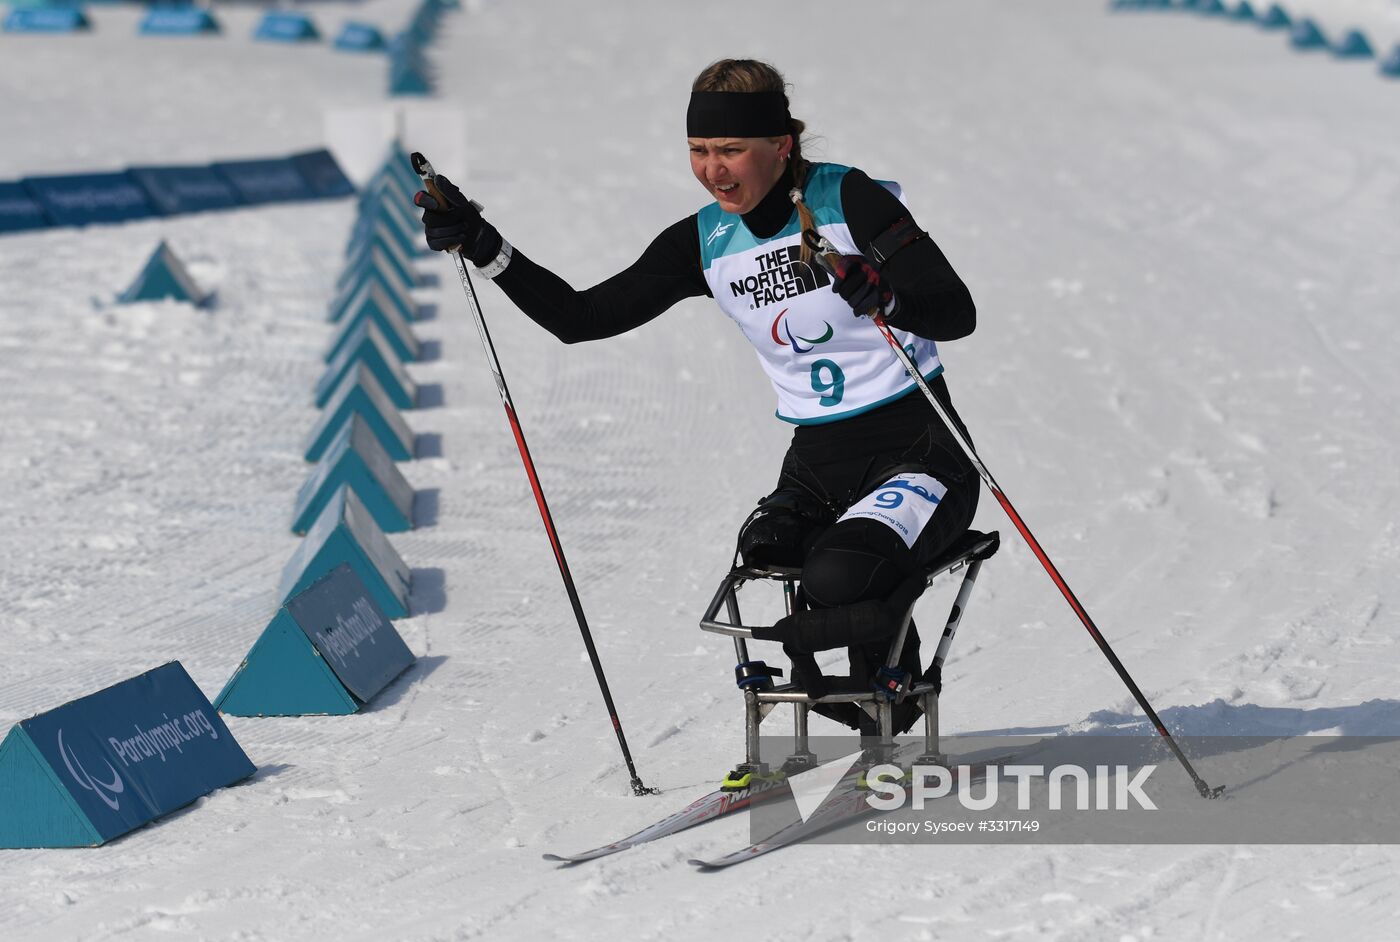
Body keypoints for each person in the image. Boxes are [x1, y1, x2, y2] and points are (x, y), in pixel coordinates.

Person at [416, 58, 980, 734]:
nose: (714, 170)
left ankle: (890, 695)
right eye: (699, 151)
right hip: (818, 464)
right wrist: (484, 244)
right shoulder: (705, 240)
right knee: (766, 548)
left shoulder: (850, 200)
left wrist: (886, 293)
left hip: (919, 451)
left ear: (781, 146)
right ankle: (863, 698)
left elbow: (956, 311)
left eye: (732, 150)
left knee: (836, 575)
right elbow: (578, 318)